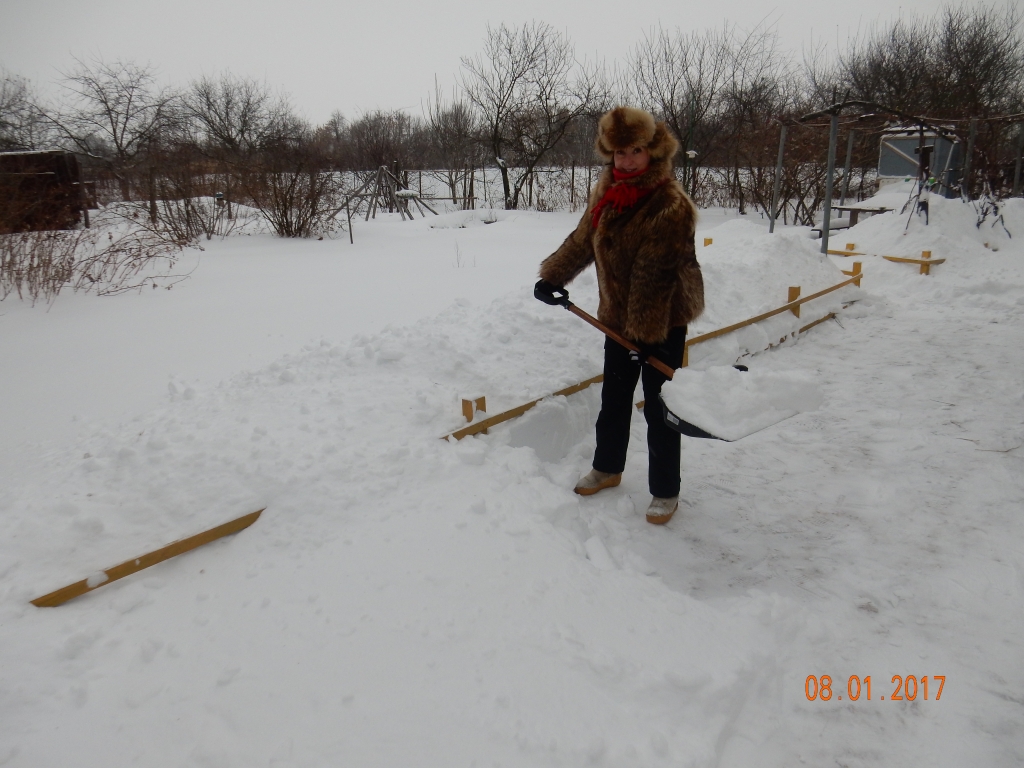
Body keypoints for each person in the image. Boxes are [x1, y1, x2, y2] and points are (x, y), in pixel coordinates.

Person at [534, 106, 704, 525]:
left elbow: (656, 274)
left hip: (663, 318)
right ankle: (608, 468)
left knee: (661, 409)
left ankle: (665, 490)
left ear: (652, 150)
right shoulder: (607, 192)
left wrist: (645, 338)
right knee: (614, 398)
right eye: (619, 152)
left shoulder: (669, 203)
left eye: (635, 151)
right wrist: (552, 275)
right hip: (618, 318)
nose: (626, 160)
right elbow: (584, 239)